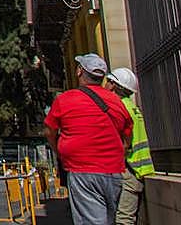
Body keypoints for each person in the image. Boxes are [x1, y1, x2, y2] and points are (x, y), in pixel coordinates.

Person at [44, 53, 132, 225]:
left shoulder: (65, 100)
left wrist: (59, 151)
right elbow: (127, 135)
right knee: (108, 219)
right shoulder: (116, 102)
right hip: (113, 171)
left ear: (79, 71)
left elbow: (49, 131)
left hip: (82, 171)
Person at [105, 67, 154, 225]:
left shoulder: (120, 109)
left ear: (113, 85)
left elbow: (120, 143)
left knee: (123, 219)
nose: (104, 85)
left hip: (131, 169)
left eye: (107, 82)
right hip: (138, 169)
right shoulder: (131, 107)